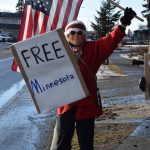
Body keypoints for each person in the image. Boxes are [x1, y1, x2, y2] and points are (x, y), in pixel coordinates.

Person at [50, 7, 136, 150]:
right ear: (66, 35)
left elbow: (110, 41)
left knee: (86, 143)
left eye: (79, 32)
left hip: (86, 103)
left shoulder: (93, 48)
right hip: (65, 104)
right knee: (62, 143)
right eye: (72, 32)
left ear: (84, 35)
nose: (76, 35)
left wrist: (123, 24)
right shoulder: (58, 51)